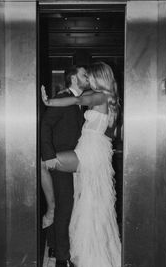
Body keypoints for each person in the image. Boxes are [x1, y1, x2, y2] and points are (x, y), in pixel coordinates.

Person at [41, 62, 122, 267]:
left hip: (89, 151)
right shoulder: (107, 97)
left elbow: (77, 99)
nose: (89, 80)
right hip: (91, 149)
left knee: (44, 164)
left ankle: (50, 209)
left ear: (98, 78)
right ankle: (87, 253)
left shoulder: (100, 96)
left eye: (91, 76)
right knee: (89, 204)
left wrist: (49, 101)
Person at [41, 65, 89, 267]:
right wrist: (49, 155)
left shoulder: (80, 101)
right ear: (73, 78)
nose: (87, 77)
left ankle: (54, 245)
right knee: (64, 208)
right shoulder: (63, 97)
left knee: (63, 207)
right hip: (60, 161)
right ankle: (61, 258)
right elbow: (45, 126)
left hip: (74, 161)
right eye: (84, 74)